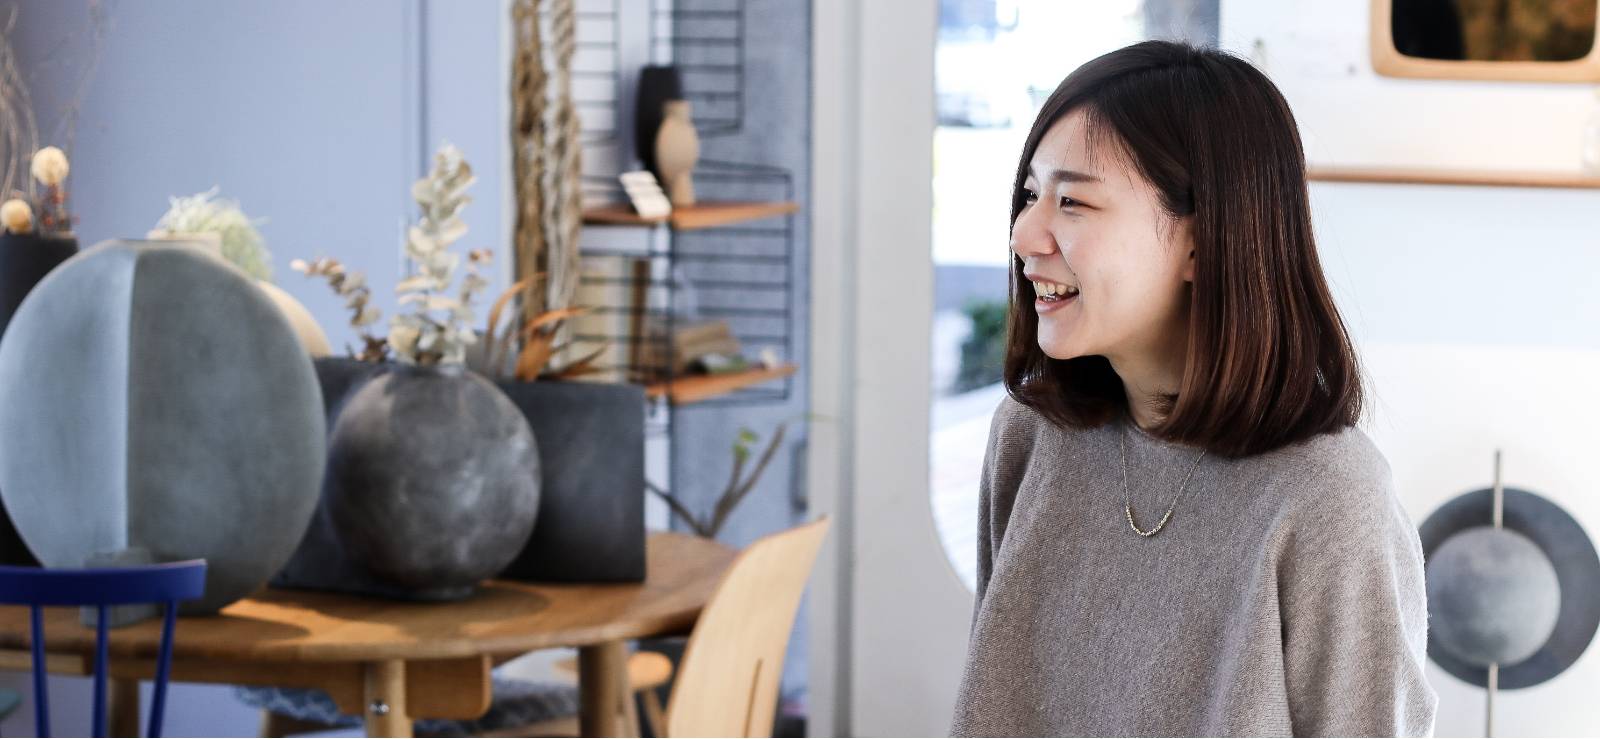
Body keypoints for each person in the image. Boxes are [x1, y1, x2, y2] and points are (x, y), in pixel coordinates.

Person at [948, 40, 1438, 737]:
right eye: (1030, 195)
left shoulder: (1329, 498)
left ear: (1203, 240)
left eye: (1073, 201)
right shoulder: (1029, 438)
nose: (1026, 234)